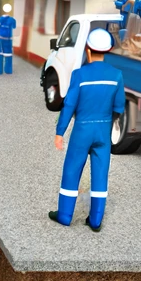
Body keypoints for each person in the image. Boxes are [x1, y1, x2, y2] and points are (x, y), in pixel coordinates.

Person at [49, 28, 124, 232]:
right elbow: (119, 107)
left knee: (72, 170)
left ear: (88, 50)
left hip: (82, 130)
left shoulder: (79, 75)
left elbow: (69, 105)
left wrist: (59, 132)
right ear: (106, 51)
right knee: (100, 174)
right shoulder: (117, 75)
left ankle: (64, 216)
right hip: (103, 131)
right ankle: (95, 221)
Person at [0, 3, 16, 74]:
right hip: (8, 39)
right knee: (8, 55)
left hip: (0, 38)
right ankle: (8, 70)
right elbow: (14, 27)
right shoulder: (12, 19)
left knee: (0, 54)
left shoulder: (0, 19)